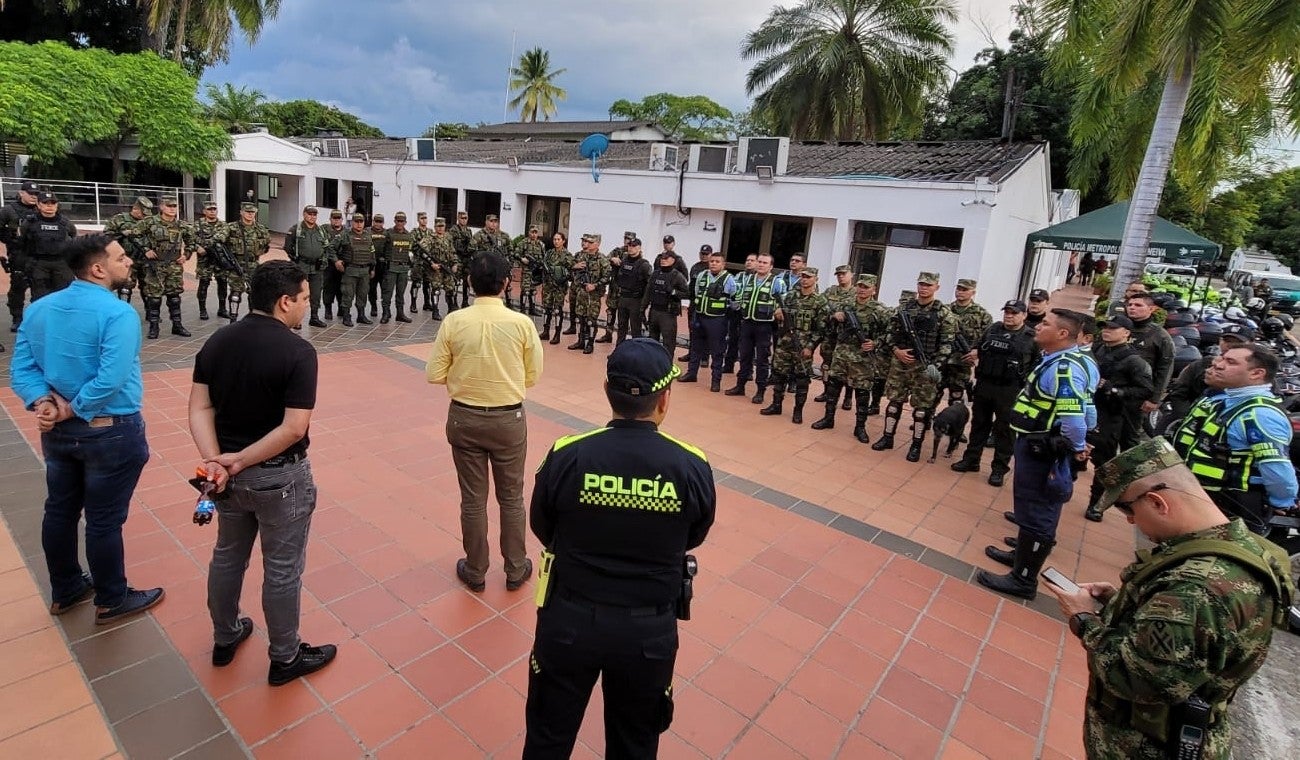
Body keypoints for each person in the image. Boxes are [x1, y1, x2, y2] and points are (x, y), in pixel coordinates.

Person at [524, 338, 716, 759]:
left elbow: (542, 526)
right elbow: (695, 535)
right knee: (635, 745)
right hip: (648, 633)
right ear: (664, 399)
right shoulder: (691, 465)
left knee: (547, 739)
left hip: (569, 621)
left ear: (606, 391)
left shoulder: (569, 454)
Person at [1050, 438, 1294, 760]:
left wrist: (1084, 620)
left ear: (1157, 502)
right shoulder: (1244, 546)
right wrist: (1121, 602)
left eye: (1128, 508)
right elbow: (1199, 642)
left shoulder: (1193, 591)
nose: (1131, 521)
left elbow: (1137, 679)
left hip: (1147, 746)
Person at [189, 260, 337, 685]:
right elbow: (294, 428)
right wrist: (236, 460)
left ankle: (226, 635)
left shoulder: (218, 341)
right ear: (284, 301)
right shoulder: (298, 352)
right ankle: (285, 657)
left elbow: (199, 407)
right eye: (305, 299)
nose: (307, 306)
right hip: (279, 479)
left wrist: (217, 460)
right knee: (283, 568)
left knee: (227, 555)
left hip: (228, 480)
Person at [10, 234, 164, 623]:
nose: (128, 261)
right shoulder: (118, 314)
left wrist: (44, 403)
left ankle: (67, 589)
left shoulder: (41, 308)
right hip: (109, 432)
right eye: (121, 257)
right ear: (98, 269)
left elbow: (23, 370)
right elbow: (110, 378)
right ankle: (111, 598)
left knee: (59, 510)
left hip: (59, 434)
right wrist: (69, 410)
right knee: (103, 520)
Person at [427, 251, 544, 592]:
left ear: (469, 282)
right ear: (507, 283)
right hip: (509, 419)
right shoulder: (522, 324)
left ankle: (476, 569)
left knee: (473, 498)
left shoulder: (454, 321)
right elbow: (533, 375)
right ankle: (515, 567)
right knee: (511, 497)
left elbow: (434, 373)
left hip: (464, 417)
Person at [978, 308, 1097, 599]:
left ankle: (1023, 579)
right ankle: (1021, 553)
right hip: (1038, 442)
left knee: (1038, 509)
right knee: (1031, 507)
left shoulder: (1064, 369)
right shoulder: (1073, 359)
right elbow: (1089, 409)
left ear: (1062, 334)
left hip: (1044, 448)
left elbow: (1073, 416)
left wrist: (1078, 447)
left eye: (1045, 324)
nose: (1037, 328)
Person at [1169, 343, 1297, 535]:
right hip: (1204, 501)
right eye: (1221, 358)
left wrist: (1282, 502)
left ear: (1256, 374)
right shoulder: (1227, 401)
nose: (1218, 365)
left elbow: (1277, 471)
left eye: (1230, 362)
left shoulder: (1260, 414)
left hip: (1232, 510)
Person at [952, 299, 1039, 486]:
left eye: (1014, 313)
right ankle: (971, 459)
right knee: (979, 424)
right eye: (1007, 312)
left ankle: (999, 469)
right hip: (985, 384)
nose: (1009, 315)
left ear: (1024, 315)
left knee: (1005, 430)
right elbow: (979, 347)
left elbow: (1036, 366)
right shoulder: (993, 329)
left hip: (1010, 389)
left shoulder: (1031, 337)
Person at [873, 272, 957, 461]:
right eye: (921, 284)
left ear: (937, 287)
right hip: (901, 364)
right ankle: (887, 437)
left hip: (925, 367)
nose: (924, 288)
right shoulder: (903, 309)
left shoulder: (943, 313)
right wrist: (896, 350)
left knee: (921, 410)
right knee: (894, 403)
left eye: (928, 285)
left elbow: (947, 344)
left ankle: (916, 445)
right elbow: (888, 334)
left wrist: (935, 366)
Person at [1083, 315, 1154, 521]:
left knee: (1104, 462)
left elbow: (1145, 389)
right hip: (1089, 406)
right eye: (1105, 327)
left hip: (1111, 413)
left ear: (1126, 333)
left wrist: (1113, 390)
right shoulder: (1098, 349)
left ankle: (1097, 504)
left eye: (1113, 328)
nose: (1107, 331)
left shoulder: (1134, 360)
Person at [810, 274, 889, 438]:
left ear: (874, 290)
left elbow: (890, 333)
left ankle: (860, 427)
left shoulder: (879, 310)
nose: (861, 290)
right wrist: (835, 316)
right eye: (860, 286)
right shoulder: (845, 305)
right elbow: (825, 319)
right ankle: (828, 418)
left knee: (862, 393)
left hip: (862, 358)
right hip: (841, 354)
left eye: (866, 287)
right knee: (833, 387)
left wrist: (875, 343)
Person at [764, 266, 829, 424]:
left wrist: (810, 347)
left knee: (801, 379)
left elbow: (821, 330)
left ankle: (798, 411)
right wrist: (777, 313)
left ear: (816, 279)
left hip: (803, 346)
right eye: (803, 276)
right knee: (779, 375)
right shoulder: (791, 295)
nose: (804, 279)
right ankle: (776, 404)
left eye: (808, 277)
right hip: (785, 342)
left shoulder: (820, 302)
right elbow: (778, 311)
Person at [725, 252, 786, 404]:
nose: (761, 265)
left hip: (765, 326)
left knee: (762, 359)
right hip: (747, 323)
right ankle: (740, 385)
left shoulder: (776, 282)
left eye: (765, 263)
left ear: (771, 266)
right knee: (744, 356)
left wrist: (780, 311)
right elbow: (739, 297)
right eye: (759, 262)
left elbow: (784, 303)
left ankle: (760, 390)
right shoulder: (749, 279)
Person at [1163, 323, 1254, 422]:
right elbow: (1179, 391)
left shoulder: (1257, 371)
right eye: (1227, 341)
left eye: (1238, 342)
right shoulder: (1203, 364)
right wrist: (1187, 416)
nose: (1231, 345)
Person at [681, 250, 735, 391]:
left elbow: (734, 300)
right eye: (712, 261)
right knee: (695, 347)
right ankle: (691, 373)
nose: (714, 264)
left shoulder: (729, 279)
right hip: (700, 316)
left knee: (717, 351)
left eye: (717, 262)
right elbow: (697, 291)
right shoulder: (702, 275)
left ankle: (715, 381)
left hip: (717, 320)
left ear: (723, 264)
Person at [20, 191, 78, 302]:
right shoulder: (29, 222)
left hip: (61, 263)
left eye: (53, 203)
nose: (49, 206)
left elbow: (73, 237)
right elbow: (22, 242)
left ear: (57, 205)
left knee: (64, 297)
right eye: (46, 203)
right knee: (40, 298)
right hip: (39, 263)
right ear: (38, 205)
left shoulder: (65, 223)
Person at [944, 278, 993, 406]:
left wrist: (978, 352)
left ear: (973, 292)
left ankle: (953, 424)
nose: (960, 292)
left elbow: (988, 338)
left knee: (956, 396)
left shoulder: (982, 314)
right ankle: (925, 423)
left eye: (964, 290)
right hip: (943, 359)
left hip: (963, 362)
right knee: (932, 395)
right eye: (958, 289)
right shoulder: (945, 310)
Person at [1126, 292, 1175, 417]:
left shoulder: (1160, 335)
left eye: (1138, 305)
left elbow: (1165, 368)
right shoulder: (1118, 328)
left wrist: (1155, 399)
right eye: (1130, 304)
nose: (1132, 307)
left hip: (1140, 393)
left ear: (1151, 309)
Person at [815, 264, 857, 412]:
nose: (840, 276)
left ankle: (847, 397)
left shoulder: (858, 293)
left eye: (844, 274)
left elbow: (862, 314)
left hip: (848, 338)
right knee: (827, 365)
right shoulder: (830, 291)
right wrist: (832, 315)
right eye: (838, 274)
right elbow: (820, 309)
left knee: (848, 368)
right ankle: (827, 391)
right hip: (830, 334)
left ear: (851, 274)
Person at [0, 179, 40, 331]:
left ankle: (37, 317)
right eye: (30, 194)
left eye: (36, 194)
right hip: (19, 253)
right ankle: (17, 317)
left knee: (40, 286)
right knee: (18, 287)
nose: (34, 197)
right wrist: (8, 238)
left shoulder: (42, 208)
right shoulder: (9, 210)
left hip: (38, 253)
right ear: (21, 193)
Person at [283, 205, 332, 328]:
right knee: (299, 293)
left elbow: (326, 247)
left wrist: (324, 260)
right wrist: (295, 260)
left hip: (317, 267)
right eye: (309, 214)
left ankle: (314, 317)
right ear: (304, 214)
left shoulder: (321, 230)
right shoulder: (296, 229)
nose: (312, 216)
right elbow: (288, 247)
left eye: (314, 214)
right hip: (302, 265)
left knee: (316, 293)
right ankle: (296, 320)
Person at [567, 233, 611, 355]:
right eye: (588, 242)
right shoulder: (582, 256)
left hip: (594, 295)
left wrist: (595, 285)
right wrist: (574, 267)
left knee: (591, 320)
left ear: (597, 244)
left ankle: (590, 343)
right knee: (581, 318)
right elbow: (570, 267)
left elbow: (607, 277)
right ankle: (581, 341)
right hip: (581, 292)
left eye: (591, 242)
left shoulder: (602, 259)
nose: (588, 244)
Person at [226, 202, 270, 322]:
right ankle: (233, 319)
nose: (250, 214)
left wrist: (258, 252)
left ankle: (253, 319)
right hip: (236, 265)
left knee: (254, 293)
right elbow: (219, 241)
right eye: (247, 212)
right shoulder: (231, 227)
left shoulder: (261, 229)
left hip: (253, 265)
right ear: (241, 212)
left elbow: (266, 244)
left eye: (252, 212)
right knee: (235, 294)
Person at [642, 249, 691, 356]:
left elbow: (688, 294)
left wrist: (674, 292)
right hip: (654, 311)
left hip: (668, 314)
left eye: (666, 258)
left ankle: (667, 365)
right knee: (652, 341)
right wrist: (642, 309)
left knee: (668, 342)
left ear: (673, 260)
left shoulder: (677, 276)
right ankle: (653, 364)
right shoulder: (655, 274)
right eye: (662, 258)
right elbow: (648, 293)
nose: (663, 260)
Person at [335, 212, 376, 327]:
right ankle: (346, 316)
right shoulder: (345, 235)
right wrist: (336, 261)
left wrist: (372, 268)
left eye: (361, 222)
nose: (359, 224)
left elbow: (372, 252)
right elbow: (331, 248)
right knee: (348, 294)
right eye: (356, 222)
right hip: (351, 270)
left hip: (364, 271)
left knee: (363, 294)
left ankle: (361, 315)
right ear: (352, 222)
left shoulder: (368, 235)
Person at [679, 244, 716, 365]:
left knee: (705, 330)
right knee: (692, 329)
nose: (704, 256)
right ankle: (691, 353)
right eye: (702, 254)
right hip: (694, 303)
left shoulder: (713, 269)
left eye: (706, 254)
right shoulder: (695, 267)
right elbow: (691, 285)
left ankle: (704, 357)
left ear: (711, 254)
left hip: (707, 304)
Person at [193, 200, 230, 321]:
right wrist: (197, 247)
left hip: (219, 259)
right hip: (205, 260)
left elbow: (222, 237)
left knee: (223, 284)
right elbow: (190, 239)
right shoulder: (197, 225)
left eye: (214, 209)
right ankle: (202, 310)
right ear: (204, 211)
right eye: (209, 209)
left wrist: (205, 244)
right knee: (203, 284)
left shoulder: (223, 225)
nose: (212, 211)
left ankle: (222, 309)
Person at [613, 238, 653, 345]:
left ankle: (637, 353)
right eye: (629, 246)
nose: (631, 248)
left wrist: (645, 302)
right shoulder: (623, 261)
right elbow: (617, 278)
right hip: (623, 298)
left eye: (634, 246)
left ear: (639, 248)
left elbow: (650, 284)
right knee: (621, 327)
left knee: (635, 329)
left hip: (636, 300)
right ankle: (619, 351)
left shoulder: (644, 265)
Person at [600, 231, 636, 343]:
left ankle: (622, 339)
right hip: (614, 287)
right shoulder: (617, 250)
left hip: (626, 290)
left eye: (630, 239)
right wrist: (612, 259)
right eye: (626, 238)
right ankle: (608, 334)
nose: (627, 241)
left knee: (623, 316)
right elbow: (605, 259)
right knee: (610, 311)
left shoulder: (635, 254)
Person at [539, 231, 574, 344]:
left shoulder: (567, 255)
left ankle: (557, 334)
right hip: (548, 285)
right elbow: (543, 265)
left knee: (557, 310)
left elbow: (571, 272)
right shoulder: (549, 253)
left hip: (559, 286)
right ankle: (546, 331)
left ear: (563, 241)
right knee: (546, 308)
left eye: (558, 239)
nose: (556, 241)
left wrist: (561, 276)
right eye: (554, 239)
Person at [381, 212, 414, 324]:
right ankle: (385, 313)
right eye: (398, 221)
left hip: (403, 269)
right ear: (394, 221)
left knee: (401, 293)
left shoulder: (408, 235)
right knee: (387, 292)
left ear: (405, 222)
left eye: (402, 221)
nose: (400, 223)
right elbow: (381, 249)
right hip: (391, 268)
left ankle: (400, 314)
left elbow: (411, 251)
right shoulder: (388, 233)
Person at [321, 209, 348, 321]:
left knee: (342, 288)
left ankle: (341, 309)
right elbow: (326, 247)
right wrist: (335, 260)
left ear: (342, 220)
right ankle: (328, 309)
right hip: (329, 265)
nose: (336, 221)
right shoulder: (323, 230)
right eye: (334, 218)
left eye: (338, 218)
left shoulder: (346, 232)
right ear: (330, 219)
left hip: (343, 264)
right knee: (328, 288)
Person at [515, 225, 547, 315]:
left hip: (535, 272)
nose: (533, 234)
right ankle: (522, 309)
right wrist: (522, 259)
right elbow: (516, 253)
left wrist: (541, 266)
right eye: (532, 232)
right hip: (526, 271)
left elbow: (544, 257)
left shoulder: (541, 244)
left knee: (533, 291)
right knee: (525, 290)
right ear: (529, 232)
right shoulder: (523, 243)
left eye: (535, 232)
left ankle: (532, 309)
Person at [449, 210, 475, 308]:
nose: (464, 220)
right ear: (458, 218)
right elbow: (450, 244)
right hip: (457, 257)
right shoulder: (453, 230)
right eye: (462, 218)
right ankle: (454, 302)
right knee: (456, 281)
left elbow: (471, 244)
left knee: (466, 281)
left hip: (467, 258)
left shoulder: (468, 231)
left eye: (466, 218)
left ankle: (465, 301)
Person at [367, 213, 390, 318]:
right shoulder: (367, 232)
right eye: (376, 221)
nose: (378, 224)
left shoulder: (387, 233)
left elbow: (389, 248)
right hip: (371, 264)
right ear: (373, 221)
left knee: (385, 289)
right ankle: (373, 307)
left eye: (380, 222)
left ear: (383, 223)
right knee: (371, 288)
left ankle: (386, 309)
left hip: (383, 264)